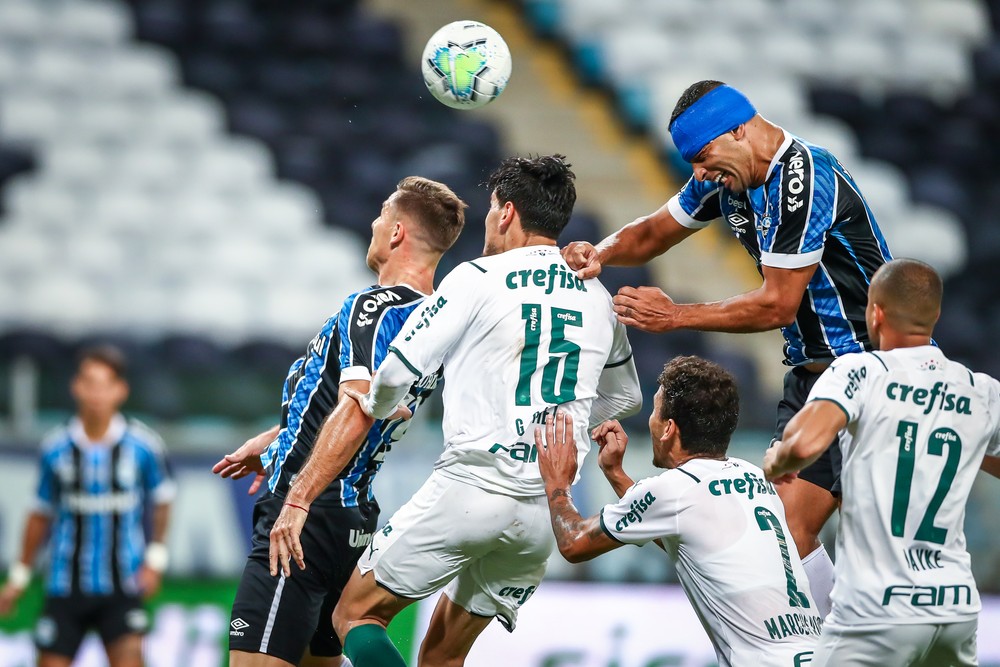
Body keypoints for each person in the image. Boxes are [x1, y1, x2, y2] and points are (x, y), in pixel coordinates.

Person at [562, 79, 895, 615]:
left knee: (879, 542)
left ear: (738, 129)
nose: (698, 174)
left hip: (872, 372)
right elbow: (652, 233)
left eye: (702, 157)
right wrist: (597, 254)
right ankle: (834, 646)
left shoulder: (803, 178)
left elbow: (778, 304)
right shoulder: (728, 180)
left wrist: (676, 315)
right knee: (788, 534)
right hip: (814, 377)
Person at [328, 154, 642, 667]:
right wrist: (554, 425)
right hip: (543, 509)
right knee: (443, 657)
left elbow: (394, 372)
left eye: (493, 207)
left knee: (356, 615)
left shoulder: (477, 277)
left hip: (471, 486)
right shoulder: (598, 297)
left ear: (507, 213)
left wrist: (379, 407)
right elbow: (626, 397)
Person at [213, 176, 466, 667]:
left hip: (306, 515)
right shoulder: (437, 321)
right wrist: (278, 438)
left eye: (379, 215)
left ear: (396, 233)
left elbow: (359, 406)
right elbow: (376, 407)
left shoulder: (373, 306)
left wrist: (298, 497)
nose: (372, 224)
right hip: (352, 519)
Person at [763, 259, 1000, 667]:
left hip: (877, 611)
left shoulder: (861, 370)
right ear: (936, 315)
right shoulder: (980, 390)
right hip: (955, 606)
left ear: (875, 312)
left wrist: (776, 461)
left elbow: (804, 446)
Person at [536, 356, 820, 667]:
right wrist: (616, 474)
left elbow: (573, 542)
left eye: (655, 411)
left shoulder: (674, 489)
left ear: (669, 428)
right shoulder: (752, 476)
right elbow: (687, 538)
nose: (651, 419)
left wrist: (557, 483)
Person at [0, 345, 175, 667]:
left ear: (120, 390)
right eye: (89, 383)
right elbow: (39, 513)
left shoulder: (143, 447)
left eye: (104, 384)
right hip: (66, 586)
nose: (96, 394)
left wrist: (155, 559)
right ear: (76, 387)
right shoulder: (56, 449)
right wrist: (20, 576)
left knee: (131, 659)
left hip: (123, 585)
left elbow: (162, 500)